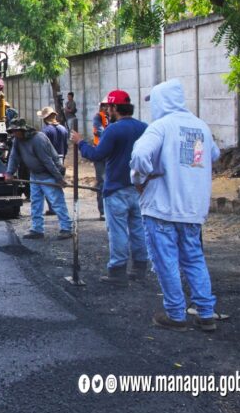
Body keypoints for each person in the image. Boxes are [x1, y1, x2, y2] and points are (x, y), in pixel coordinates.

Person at [131, 79, 221, 332]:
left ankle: (175, 314)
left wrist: (141, 178)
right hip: (192, 207)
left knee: (166, 260)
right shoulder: (200, 126)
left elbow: (139, 156)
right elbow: (213, 155)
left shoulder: (160, 126)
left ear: (162, 100)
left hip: (161, 206)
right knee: (193, 258)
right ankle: (206, 313)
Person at [71, 90, 148, 286]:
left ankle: (117, 270)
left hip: (115, 188)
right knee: (138, 229)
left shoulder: (114, 130)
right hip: (139, 188)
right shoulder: (144, 128)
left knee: (118, 231)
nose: (107, 110)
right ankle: (140, 267)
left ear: (115, 108)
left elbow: (97, 155)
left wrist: (81, 143)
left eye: (109, 107)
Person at [3, 118, 72, 240]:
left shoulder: (38, 139)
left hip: (48, 174)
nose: (14, 134)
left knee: (57, 202)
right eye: (12, 131)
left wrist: (59, 178)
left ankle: (66, 228)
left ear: (23, 130)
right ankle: (37, 229)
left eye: (15, 131)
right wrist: (9, 172)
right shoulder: (17, 140)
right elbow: (14, 157)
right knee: (36, 203)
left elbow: (48, 161)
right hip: (35, 175)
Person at [37, 106, 68, 216]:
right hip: (61, 158)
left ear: (45, 119)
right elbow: (66, 146)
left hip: (50, 159)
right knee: (58, 182)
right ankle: (58, 207)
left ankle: (53, 208)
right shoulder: (63, 129)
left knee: (48, 183)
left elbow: (43, 148)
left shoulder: (45, 131)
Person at [92, 98, 109, 220]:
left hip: (111, 151)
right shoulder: (98, 117)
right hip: (100, 151)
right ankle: (102, 210)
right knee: (102, 181)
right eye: (105, 106)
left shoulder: (114, 118)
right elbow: (99, 131)